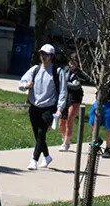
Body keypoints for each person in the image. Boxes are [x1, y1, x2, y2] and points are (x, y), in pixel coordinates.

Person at [19, 42, 67, 171]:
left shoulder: (58, 72)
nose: (43, 56)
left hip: (49, 107)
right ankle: (46, 156)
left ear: (51, 56)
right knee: (38, 135)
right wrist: (26, 85)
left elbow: (63, 91)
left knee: (41, 132)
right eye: (41, 53)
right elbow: (22, 82)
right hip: (34, 106)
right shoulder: (35, 69)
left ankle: (34, 160)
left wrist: (59, 109)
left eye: (45, 54)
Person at [58, 55, 85, 152]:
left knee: (69, 119)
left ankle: (66, 143)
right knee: (61, 122)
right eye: (70, 62)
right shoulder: (65, 70)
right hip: (65, 97)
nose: (72, 64)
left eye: (74, 62)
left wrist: (65, 84)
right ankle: (65, 139)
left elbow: (76, 86)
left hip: (75, 98)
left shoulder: (80, 73)